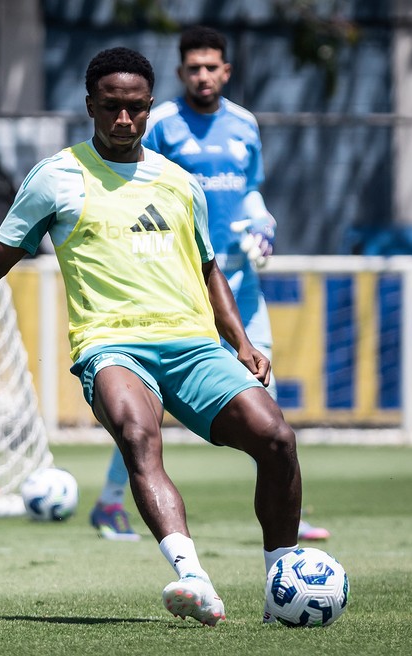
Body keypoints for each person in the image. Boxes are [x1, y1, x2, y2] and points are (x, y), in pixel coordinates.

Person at [0, 47, 302, 626]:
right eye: (111, 107)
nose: (124, 120)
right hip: (111, 345)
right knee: (138, 435)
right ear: (91, 105)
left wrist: (239, 341)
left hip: (193, 346)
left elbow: (207, 266)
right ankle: (192, 577)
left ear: (150, 107)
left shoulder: (179, 183)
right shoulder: (56, 177)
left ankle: (282, 581)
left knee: (276, 439)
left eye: (136, 108)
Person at [90, 26, 331, 544]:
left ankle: (288, 509)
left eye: (211, 67)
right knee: (141, 411)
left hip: (239, 286)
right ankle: (110, 501)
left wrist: (262, 223)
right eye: (193, 68)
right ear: (181, 73)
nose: (203, 76)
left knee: (263, 396)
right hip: (181, 288)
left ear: (226, 71)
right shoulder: (159, 123)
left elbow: (250, 192)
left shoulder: (245, 124)